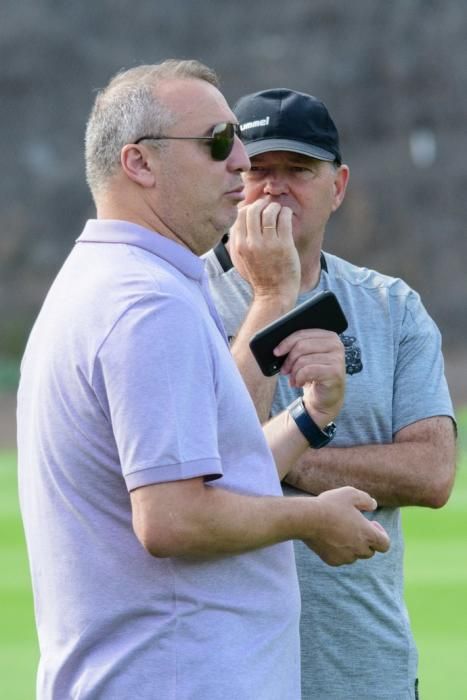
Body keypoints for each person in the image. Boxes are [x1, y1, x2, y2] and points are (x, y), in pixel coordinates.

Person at [17, 63, 390, 699]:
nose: (242, 164)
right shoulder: (145, 303)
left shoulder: (113, 280)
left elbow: (212, 471)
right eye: (218, 142)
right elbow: (172, 518)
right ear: (139, 163)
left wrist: (308, 417)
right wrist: (309, 519)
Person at [204, 88, 457, 700]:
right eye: (259, 170)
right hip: (230, 672)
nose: (275, 188)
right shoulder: (186, 300)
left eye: (299, 170)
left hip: (367, 671)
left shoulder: (392, 307)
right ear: (233, 179)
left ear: (337, 186)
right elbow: (194, 474)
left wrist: (287, 457)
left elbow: (432, 472)